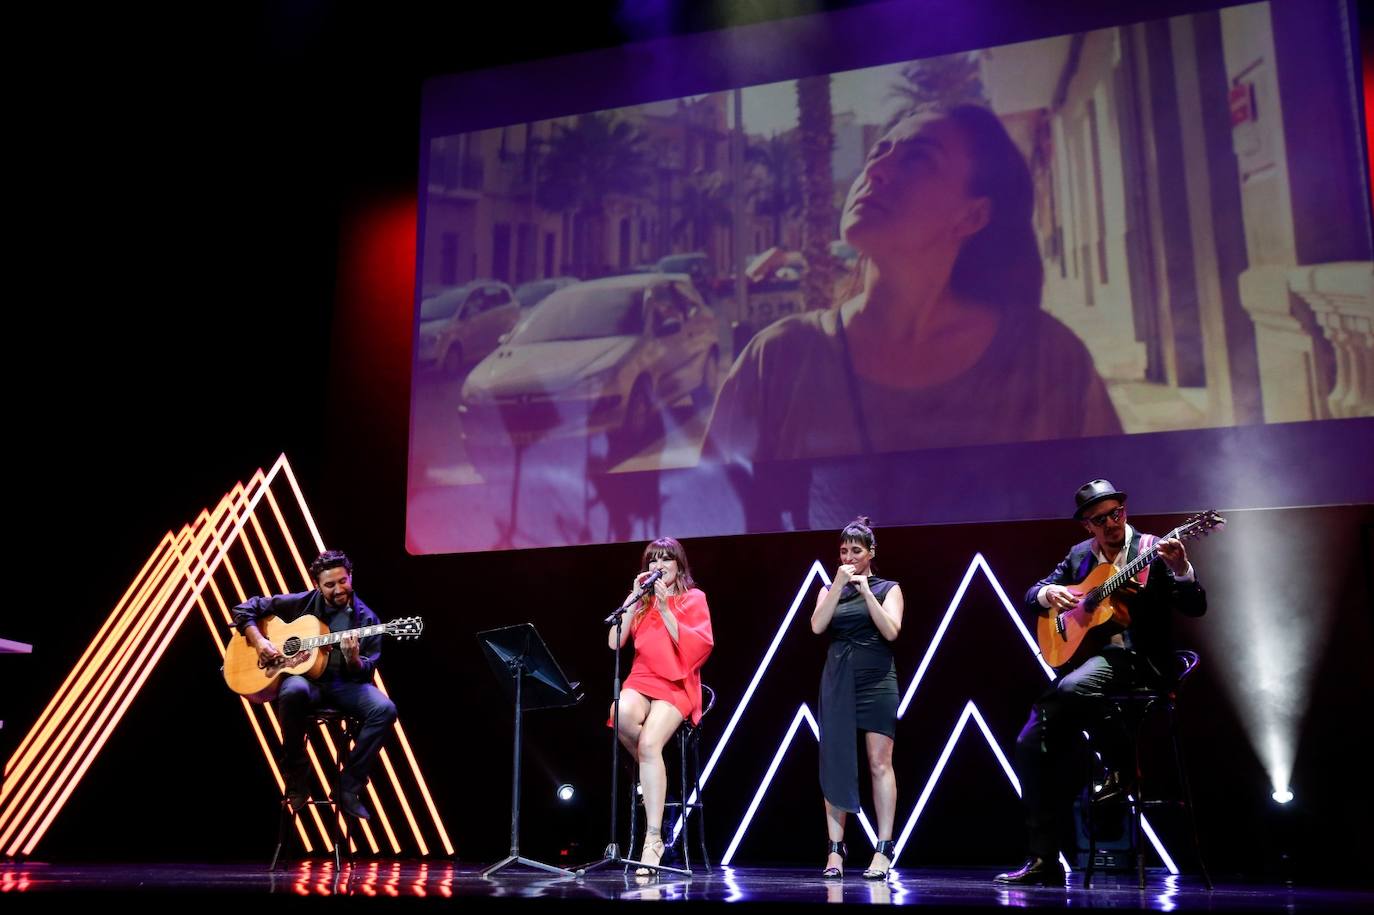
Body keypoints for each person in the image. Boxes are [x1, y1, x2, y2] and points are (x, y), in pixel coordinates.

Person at [703, 105, 1120, 469]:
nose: (876, 170)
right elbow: (707, 530)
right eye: (878, 152)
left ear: (972, 217)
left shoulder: (1047, 362)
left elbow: (1119, 541)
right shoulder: (776, 361)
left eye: (918, 159)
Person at [995, 480, 1206, 885]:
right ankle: (1044, 861)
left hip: (1139, 662)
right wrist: (1050, 594)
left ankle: (1123, 767)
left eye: (1116, 513)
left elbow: (1195, 606)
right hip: (1091, 668)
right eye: (1100, 519)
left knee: (1075, 689)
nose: (1111, 523)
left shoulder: (1151, 549)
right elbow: (1033, 593)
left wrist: (1181, 569)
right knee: (1028, 745)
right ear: (1086, 525)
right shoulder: (1078, 556)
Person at [232, 550, 397, 821]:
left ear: (350, 577)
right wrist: (261, 641)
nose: (338, 589)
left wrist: (353, 659)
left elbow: (366, 670)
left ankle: (348, 786)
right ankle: (297, 776)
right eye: (329, 585)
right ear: (317, 586)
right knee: (292, 689)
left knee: (385, 709)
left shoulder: (367, 620)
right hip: (306, 683)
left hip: (344, 685)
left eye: (343, 581)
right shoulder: (302, 603)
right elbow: (243, 609)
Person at [608, 537, 714, 875]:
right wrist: (632, 597)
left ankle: (653, 839)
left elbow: (697, 649)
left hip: (677, 683)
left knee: (651, 743)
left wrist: (667, 607)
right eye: (653, 561)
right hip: (642, 680)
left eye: (666, 560)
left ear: (679, 566)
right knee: (619, 713)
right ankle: (650, 780)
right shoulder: (641, 602)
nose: (659, 566)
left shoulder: (694, 598)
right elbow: (614, 643)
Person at [811, 517, 905, 880]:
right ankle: (835, 851)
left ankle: (883, 848)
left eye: (856, 550)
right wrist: (838, 585)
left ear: (870, 553)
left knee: (879, 762)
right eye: (844, 550)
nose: (849, 557)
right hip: (837, 678)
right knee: (835, 760)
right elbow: (818, 626)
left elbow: (892, 631)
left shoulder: (888, 588)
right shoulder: (828, 588)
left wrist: (866, 592)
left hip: (877, 678)